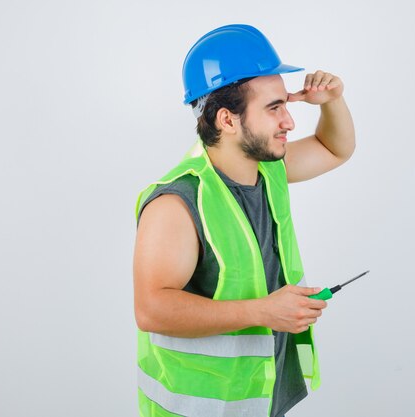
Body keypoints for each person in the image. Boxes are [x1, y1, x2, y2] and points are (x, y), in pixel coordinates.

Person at [133, 24, 355, 417]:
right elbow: (152, 310)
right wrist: (263, 311)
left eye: (286, 104)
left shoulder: (268, 169)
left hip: (260, 396)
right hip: (202, 408)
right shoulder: (178, 203)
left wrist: (331, 101)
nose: (289, 121)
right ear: (227, 120)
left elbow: (333, 148)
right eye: (274, 108)